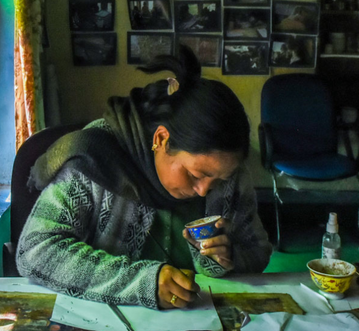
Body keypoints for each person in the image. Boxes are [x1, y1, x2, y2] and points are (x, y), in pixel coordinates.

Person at [16, 45, 272, 310]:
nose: (205, 190)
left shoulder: (226, 171)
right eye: (196, 174)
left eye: (218, 180)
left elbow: (258, 251)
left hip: (198, 321)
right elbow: (36, 250)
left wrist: (227, 257)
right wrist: (143, 282)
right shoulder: (96, 158)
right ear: (161, 140)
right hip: (107, 322)